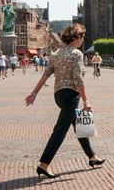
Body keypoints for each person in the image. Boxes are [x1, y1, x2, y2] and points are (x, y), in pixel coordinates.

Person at [24, 23, 104, 178]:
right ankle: (44, 164)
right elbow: (78, 79)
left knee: (78, 125)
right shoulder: (76, 54)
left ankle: (92, 157)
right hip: (71, 95)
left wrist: (34, 93)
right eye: (82, 36)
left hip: (58, 95)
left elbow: (46, 74)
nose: (83, 40)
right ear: (76, 37)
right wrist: (86, 101)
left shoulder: (57, 53)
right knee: (60, 130)